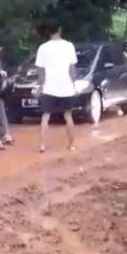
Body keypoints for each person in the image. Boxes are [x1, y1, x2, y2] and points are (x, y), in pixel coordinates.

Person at [35, 19, 77, 153]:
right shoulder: (69, 46)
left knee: (45, 116)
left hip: (49, 87)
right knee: (68, 116)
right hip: (66, 87)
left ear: (48, 32)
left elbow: (40, 71)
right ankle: (71, 145)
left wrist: (42, 85)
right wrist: (73, 84)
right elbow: (72, 69)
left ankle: (42, 145)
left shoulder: (43, 48)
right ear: (60, 29)